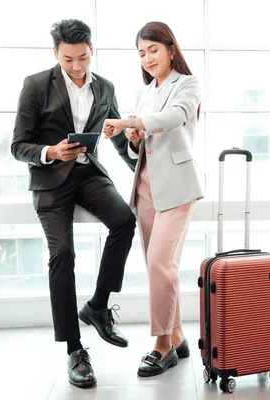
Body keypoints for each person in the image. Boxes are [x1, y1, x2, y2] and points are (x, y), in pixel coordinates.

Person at [11, 19, 137, 388]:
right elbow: (18, 145)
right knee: (62, 253)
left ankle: (97, 306)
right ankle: (75, 349)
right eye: (68, 59)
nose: (77, 66)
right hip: (51, 181)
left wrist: (137, 158)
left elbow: (115, 135)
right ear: (56, 53)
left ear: (91, 49)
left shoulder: (105, 87)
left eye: (82, 57)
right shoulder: (35, 85)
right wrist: (51, 151)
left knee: (125, 221)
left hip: (89, 175)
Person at [102, 21, 204, 378]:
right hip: (145, 184)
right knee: (158, 267)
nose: (147, 58)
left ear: (170, 49)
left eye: (153, 50)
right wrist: (133, 136)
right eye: (141, 53)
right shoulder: (146, 92)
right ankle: (176, 336)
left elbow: (175, 117)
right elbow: (143, 140)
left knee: (161, 262)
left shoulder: (187, 84)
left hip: (177, 185)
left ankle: (162, 346)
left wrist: (132, 120)